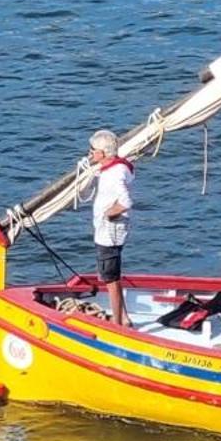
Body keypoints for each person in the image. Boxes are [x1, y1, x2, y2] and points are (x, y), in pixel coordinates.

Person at [87, 129, 133, 326]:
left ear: (103, 153)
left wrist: (108, 213)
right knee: (111, 275)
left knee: (111, 279)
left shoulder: (114, 174)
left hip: (110, 232)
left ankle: (117, 321)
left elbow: (125, 201)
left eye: (93, 150)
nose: (89, 153)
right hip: (108, 231)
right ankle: (124, 316)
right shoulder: (115, 169)